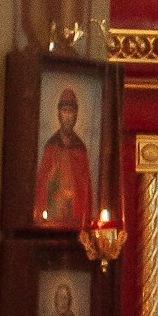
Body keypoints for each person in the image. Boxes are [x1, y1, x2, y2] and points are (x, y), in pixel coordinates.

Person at [32, 83, 94, 228]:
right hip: (53, 214)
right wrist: (52, 176)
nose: (67, 117)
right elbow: (42, 183)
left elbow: (85, 187)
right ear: (59, 114)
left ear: (76, 115)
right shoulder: (51, 146)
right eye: (64, 111)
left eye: (71, 112)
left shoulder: (80, 148)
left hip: (75, 218)